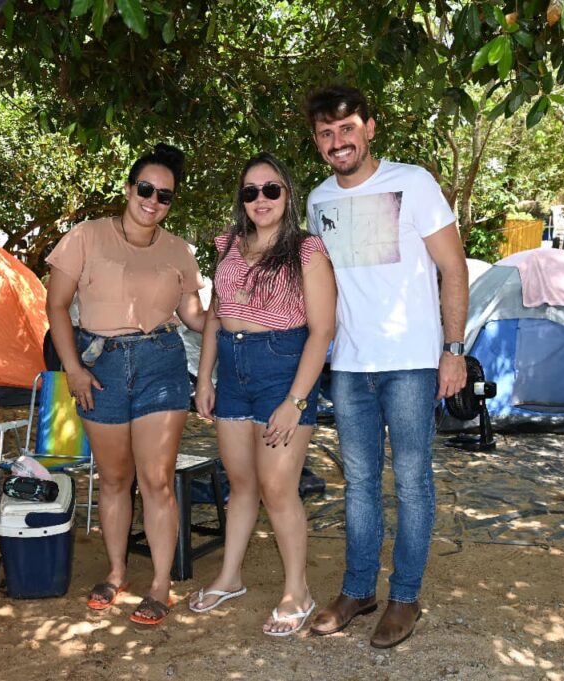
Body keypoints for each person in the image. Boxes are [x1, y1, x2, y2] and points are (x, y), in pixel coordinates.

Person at [302, 85, 468, 648]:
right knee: (360, 485)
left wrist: (453, 348)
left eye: (346, 128)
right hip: (349, 367)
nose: (336, 141)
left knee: (414, 484)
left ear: (369, 128)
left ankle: (404, 598)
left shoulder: (414, 182)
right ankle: (357, 589)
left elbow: (454, 266)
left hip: (412, 363)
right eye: (325, 133)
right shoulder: (319, 201)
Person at [45, 143, 206, 626]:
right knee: (115, 478)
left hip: (161, 363)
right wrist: (73, 369)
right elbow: (56, 307)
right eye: (145, 189)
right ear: (128, 187)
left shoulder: (179, 250)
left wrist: (241, 302)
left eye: (165, 196)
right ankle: (117, 573)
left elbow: (193, 316)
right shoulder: (86, 237)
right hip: (100, 366)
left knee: (156, 480)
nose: (153, 201)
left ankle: (160, 585)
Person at [190, 152, 336, 636]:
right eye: (250, 191)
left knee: (277, 487)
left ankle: (299, 591)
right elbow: (213, 316)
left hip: (283, 369)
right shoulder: (229, 244)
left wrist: (295, 401)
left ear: (287, 193)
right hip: (231, 371)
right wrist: (204, 377)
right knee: (241, 483)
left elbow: (322, 331)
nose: (260, 199)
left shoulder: (308, 250)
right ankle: (229, 577)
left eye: (271, 189)